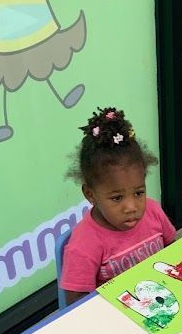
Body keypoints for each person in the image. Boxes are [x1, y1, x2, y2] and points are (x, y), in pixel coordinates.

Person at [59, 106, 174, 305]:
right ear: (90, 194)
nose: (131, 207)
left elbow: (174, 251)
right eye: (116, 198)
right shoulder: (82, 246)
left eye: (138, 193)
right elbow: (75, 307)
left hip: (163, 302)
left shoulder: (153, 210)